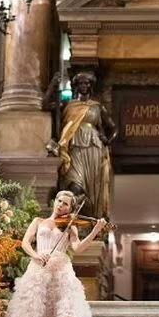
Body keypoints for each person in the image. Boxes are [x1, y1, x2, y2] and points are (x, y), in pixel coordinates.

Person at [0, 190, 140, 317]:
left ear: (71, 209)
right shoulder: (38, 221)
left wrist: (95, 230)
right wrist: (36, 256)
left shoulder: (71, 226)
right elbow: (25, 243)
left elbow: (78, 248)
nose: (61, 206)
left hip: (61, 274)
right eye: (59, 201)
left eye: (66, 204)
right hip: (38, 272)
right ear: (54, 202)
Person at [57, 72, 117, 218]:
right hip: (74, 145)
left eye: (86, 83)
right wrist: (53, 86)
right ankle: (70, 212)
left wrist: (108, 139)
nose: (84, 86)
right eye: (81, 83)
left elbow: (113, 128)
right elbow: (46, 105)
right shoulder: (68, 105)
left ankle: (88, 216)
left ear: (90, 86)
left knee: (92, 185)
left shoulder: (97, 107)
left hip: (94, 147)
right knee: (75, 184)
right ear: (76, 86)